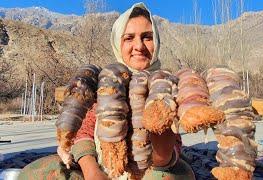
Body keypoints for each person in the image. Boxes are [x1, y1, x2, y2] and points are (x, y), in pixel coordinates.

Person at [18, 3, 195, 180]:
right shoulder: (107, 81)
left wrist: (160, 130)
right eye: (129, 38)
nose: (139, 46)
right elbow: (85, 132)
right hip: (104, 167)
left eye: (147, 37)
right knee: (34, 173)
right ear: (118, 42)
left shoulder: (167, 85)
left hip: (152, 170)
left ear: (156, 41)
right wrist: (92, 171)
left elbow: (166, 157)